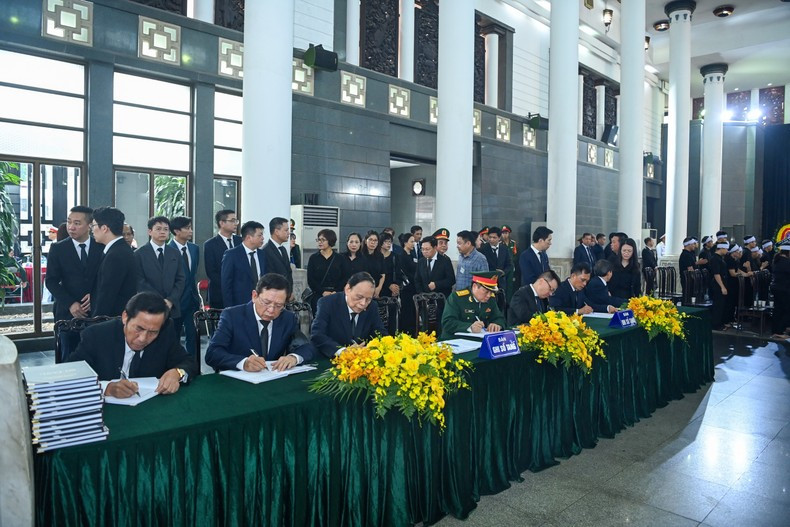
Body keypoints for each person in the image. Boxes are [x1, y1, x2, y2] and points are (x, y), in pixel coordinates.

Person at [67, 292, 198, 398]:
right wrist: (107, 388)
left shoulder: (165, 332)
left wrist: (177, 373)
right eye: (139, 328)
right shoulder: (96, 335)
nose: (143, 338)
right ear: (125, 317)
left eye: (153, 332)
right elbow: (69, 377)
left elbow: (189, 362)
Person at [205, 273, 316, 371]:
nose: (271, 310)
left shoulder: (287, 318)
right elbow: (212, 354)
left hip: (272, 380)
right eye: (266, 302)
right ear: (254, 296)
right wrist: (243, 363)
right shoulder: (232, 316)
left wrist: (293, 357)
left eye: (279, 305)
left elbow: (306, 347)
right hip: (238, 382)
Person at [45, 206, 104, 323]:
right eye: (69, 222)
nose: (71, 227)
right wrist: (70, 303)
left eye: (77, 223)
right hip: (67, 312)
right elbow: (51, 281)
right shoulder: (58, 248)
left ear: (90, 225)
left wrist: (96, 296)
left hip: (96, 311)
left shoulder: (101, 246)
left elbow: (106, 278)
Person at [310, 272, 387, 358]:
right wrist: (343, 351)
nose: (363, 303)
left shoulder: (372, 306)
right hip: (331, 359)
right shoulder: (327, 303)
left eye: (368, 299)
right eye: (359, 297)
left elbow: (380, 333)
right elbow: (317, 335)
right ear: (347, 289)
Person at [134, 216, 185, 319]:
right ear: (150, 231)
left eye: (166, 229)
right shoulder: (139, 254)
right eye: (158, 229)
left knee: (173, 334)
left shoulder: (175, 253)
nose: (162, 232)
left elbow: (180, 279)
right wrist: (159, 301)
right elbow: (139, 281)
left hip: (172, 307)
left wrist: (170, 300)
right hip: (149, 306)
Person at [91, 206, 138, 317]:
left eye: (93, 225)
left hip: (112, 320)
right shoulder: (118, 249)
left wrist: (96, 322)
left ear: (104, 228)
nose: (91, 230)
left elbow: (108, 294)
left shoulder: (116, 255)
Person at [168, 216, 202, 357]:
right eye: (187, 228)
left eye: (190, 227)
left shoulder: (194, 249)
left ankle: (193, 366)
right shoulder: (168, 250)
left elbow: (192, 275)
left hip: (192, 300)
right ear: (176, 231)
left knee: (193, 336)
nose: (191, 231)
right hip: (176, 301)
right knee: (174, 337)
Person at [440, 270, 506, 340]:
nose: (488, 295)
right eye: (486, 292)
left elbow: (499, 317)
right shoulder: (457, 297)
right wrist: (469, 327)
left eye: (491, 292)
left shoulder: (491, 299)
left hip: (478, 341)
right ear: (474, 286)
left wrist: (497, 324)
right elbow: (447, 322)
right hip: (454, 340)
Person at [221, 220, 266, 308]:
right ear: (249, 237)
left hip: (261, 303)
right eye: (260, 235)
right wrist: (230, 309)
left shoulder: (262, 254)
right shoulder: (232, 255)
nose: (263, 238)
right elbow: (226, 284)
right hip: (240, 304)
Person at [203, 209, 242, 309]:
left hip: (241, 292)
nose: (236, 223)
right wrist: (229, 285)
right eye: (232, 220)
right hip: (219, 293)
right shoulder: (210, 245)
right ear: (222, 223)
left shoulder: (240, 241)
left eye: (236, 221)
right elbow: (211, 272)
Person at [306, 229, 344, 316]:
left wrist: (336, 291)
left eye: (323, 240)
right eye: (318, 240)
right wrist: (323, 292)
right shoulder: (313, 258)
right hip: (319, 295)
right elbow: (311, 279)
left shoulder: (340, 258)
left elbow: (344, 278)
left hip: (337, 294)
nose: (320, 242)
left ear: (330, 241)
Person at [478, 226, 512, 296]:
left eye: (494, 237)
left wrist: (503, 272)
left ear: (499, 238)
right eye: (490, 237)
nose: (491, 240)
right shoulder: (483, 249)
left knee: (501, 303)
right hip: (488, 282)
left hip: (501, 283)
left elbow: (509, 264)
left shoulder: (504, 249)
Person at [263, 217, 293, 290]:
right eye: (286, 230)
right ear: (276, 232)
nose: (289, 233)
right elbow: (270, 277)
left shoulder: (283, 249)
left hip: (286, 292)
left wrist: (289, 290)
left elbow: (288, 272)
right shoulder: (266, 250)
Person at [398, 232, 418, 335]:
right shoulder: (402, 255)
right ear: (405, 243)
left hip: (414, 288)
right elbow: (404, 272)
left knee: (414, 311)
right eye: (411, 241)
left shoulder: (412, 254)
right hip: (407, 288)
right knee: (407, 311)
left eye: (414, 241)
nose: (413, 244)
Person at [770, 243, 790, 339]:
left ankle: (776, 330)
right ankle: (781, 331)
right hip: (784, 289)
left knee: (778, 309)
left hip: (776, 288)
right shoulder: (786, 262)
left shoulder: (777, 260)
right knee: (786, 309)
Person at [708, 241, 730, 330]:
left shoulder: (720, 258)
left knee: (721, 305)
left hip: (721, 283)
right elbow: (716, 274)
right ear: (722, 248)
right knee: (718, 305)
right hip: (717, 285)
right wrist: (722, 286)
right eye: (726, 249)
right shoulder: (715, 259)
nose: (727, 251)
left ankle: (720, 322)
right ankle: (716, 325)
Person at [361, 230, 385, 298]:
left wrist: (379, 288)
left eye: (375, 240)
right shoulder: (360, 255)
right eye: (370, 239)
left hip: (376, 290)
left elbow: (383, 274)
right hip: (362, 289)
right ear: (365, 241)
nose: (373, 242)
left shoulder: (380, 256)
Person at [379, 232, 401, 298]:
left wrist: (396, 287)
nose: (389, 244)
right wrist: (388, 285)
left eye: (390, 241)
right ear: (380, 242)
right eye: (386, 241)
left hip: (393, 289)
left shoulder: (395, 256)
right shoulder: (376, 256)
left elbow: (398, 272)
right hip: (380, 288)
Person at [501, 225, 519, 303]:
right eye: (503, 233)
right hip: (503, 268)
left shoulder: (513, 243)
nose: (504, 235)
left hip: (512, 268)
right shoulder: (500, 244)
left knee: (511, 286)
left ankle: (510, 302)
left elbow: (516, 255)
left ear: (509, 233)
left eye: (506, 233)